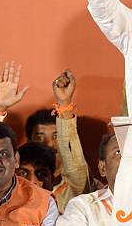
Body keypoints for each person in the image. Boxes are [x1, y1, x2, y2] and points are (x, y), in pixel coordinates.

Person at [25, 70, 90, 213]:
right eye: (40, 138)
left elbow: (75, 168)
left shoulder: (75, 186)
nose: (49, 144)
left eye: (56, 136)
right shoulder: (18, 187)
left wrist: (64, 105)